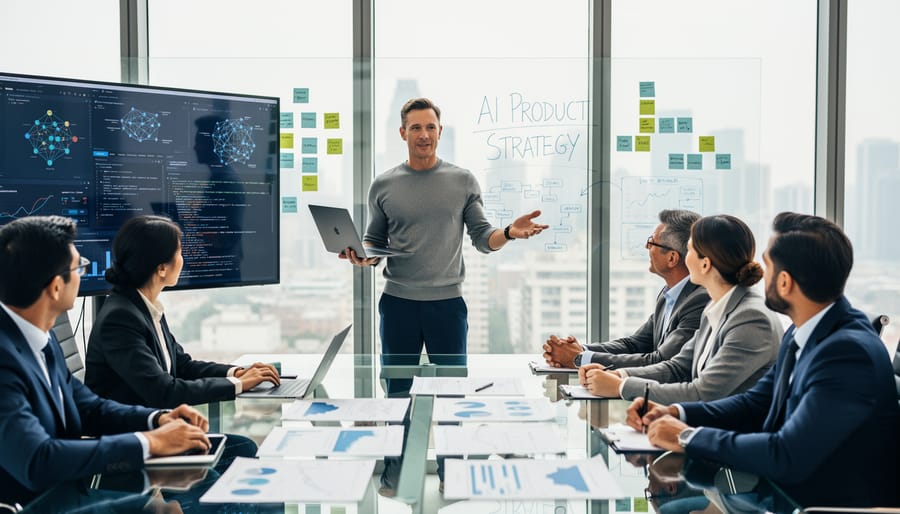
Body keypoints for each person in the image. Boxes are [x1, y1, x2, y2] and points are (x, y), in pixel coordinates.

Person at [630, 212, 898, 507]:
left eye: (767, 265)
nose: (758, 272)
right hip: (782, 492)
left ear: (785, 282)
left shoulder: (847, 353)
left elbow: (787, 454)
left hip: (822, 503)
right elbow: (755, 402)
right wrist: (676, 412)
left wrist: (688, 437)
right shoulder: (803, 330)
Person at [0, 215, 211, 507]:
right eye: (78, 267)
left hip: (71, 495)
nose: (83, 274)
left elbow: (89, 406)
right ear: (55, 287)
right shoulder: (4, 357)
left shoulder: (40, 339)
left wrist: (158, 420)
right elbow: (37, 460)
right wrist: (149, 443)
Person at [343, 97, 549, 396]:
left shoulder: (462, 181)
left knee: (453, 395)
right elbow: (374, 241)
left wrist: (509, 232)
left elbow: (482, 237)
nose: (424, 134)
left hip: (447, 306)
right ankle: (398, 443)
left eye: (430, 127)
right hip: (398, 305)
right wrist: (364, 256)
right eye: (415, 128)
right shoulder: (383, 185)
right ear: (403, 133)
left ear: (441, 131)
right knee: (396, 392)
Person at [580, 215, 781, 404]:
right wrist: (618, 375)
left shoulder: (751, 318)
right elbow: (677, 367)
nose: (685, 257)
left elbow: (702, 392)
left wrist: (621, 387)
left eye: (690, 249)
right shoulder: (716, 306)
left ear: (705, 264)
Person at [86, 215, 279, 408]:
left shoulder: (145, 306)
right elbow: (164, 392)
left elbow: (182, 366)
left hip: (157, 425)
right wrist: (238, 385)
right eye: (179, 252)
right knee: (243, 441)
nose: (182, 259)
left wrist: (236, 373)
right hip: (131, 433)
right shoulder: (120, 318)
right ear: (161, 268)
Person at [543, 209, 708, 369]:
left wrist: (579, 359)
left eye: (652, 242)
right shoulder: (668, 295)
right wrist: (580, 350)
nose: (646, 246)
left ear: (672, 258)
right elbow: (635, 344)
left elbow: (661, 361)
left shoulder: (699, 300)